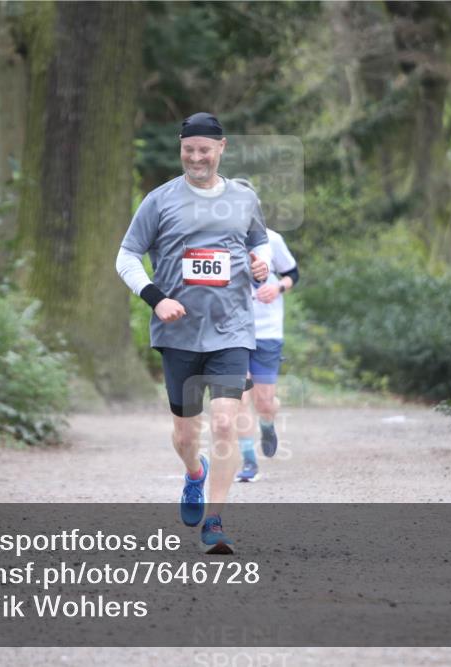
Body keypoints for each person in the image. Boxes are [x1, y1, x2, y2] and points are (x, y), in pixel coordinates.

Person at [116, 112, 271, 554]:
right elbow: (126, 257)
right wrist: (155, 297)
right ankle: (194, 473)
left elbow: (258, 241)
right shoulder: (160, 200)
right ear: (181, 149)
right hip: (178, 334)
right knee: (187, 435)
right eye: (189, 150)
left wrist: (261, 263)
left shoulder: (243, 197)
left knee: (224, 423)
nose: (196, 158)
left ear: (222, 148)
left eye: (205, 149)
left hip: (232, 330)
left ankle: (215, 522)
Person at [236, 227, 299, 482]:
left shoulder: (272, 239)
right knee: (239, 397)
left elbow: (292, 273)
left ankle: (267, 424)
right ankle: (249, 461)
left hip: (267, 332)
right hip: (233, 332)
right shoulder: (217, 239)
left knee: (264, 402)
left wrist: (278, 288)